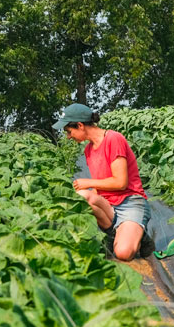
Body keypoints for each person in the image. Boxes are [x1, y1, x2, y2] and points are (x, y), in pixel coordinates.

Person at [53, 103, 155, 261]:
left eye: (69, 131)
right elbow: (100, 187)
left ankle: (142, 237)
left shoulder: (113, 139)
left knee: (123, 253)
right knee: (81, 196)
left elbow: (121, 182)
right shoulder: (88, 150)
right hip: (110, 205)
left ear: (80, 125)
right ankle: (113, 235)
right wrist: (91, 195)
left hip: (130, 202)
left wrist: (88, 182)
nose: (68, 136)